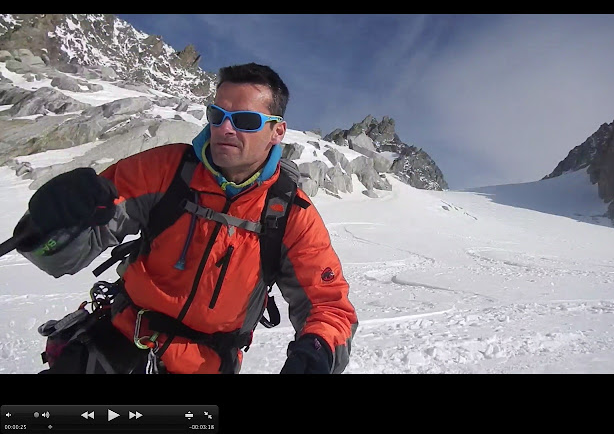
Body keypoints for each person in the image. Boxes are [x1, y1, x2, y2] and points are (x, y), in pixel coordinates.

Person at [14, 62, 358, 374]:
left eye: (245, 121)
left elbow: (329, 307)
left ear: (277, 132)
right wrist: (48, 223)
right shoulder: (165, 171)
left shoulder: (290, 214)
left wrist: (315, 353)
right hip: (114, 343)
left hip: (205, 366)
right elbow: (62, 255)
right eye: (217, 115)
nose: (225, 129)